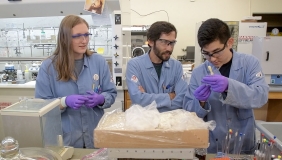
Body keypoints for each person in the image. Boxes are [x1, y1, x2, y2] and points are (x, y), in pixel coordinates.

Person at [183, 18, 269, 154]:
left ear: (229, 42)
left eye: (216, 51)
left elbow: (261, 96)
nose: (212, 59)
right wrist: (200, 102)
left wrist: (230, 86)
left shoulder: (250, 63)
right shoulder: (199, 73)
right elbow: (190, 114)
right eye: (206, 53)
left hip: (243, 144)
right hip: (212, 145)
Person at [35, 15, 117, 148]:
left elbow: (111, 93)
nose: (84, 40)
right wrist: (63, 102)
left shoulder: (99, 62)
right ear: (65, 38)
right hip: (65, 140)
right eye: (77, 36)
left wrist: (101, 99)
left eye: (86, 34)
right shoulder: (49, 66)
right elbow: (40, 105)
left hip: (94, 136)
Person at [126, 21, 188, 112]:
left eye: (172, 43)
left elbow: (182, 100)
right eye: (164, 42)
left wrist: (147, 99)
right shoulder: (135, 65)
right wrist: (169, 96)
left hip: (170, 123)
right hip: (144, 123)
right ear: (151, 41)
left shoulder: (176, 66)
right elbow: (137, 99)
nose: (169, 48)